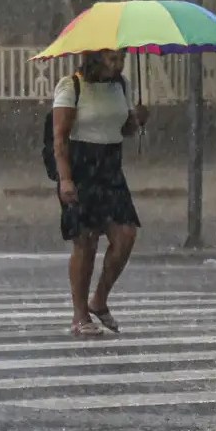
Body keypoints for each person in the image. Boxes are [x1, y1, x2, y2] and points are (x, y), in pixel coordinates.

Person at [52, 50, 148, 337]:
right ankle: (80, 314)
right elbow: (60, 138)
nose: (118, 65)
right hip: (81, 167)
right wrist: (65, 179)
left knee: (126, 235)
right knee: (86, 242)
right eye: (111, 59)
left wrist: (137, 119)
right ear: (95, 57)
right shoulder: (72, 86)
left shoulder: (122, 86)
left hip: (110, 167)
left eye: (121, 59)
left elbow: (125, 129)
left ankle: (100, 299)